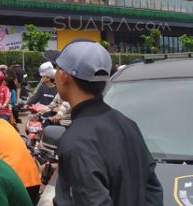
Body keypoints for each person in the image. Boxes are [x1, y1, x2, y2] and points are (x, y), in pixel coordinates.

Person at [47, 40, 162, 205]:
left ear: (64, 76)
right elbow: (153, 190)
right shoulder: (127, 123)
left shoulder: (76, 141)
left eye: (57, 68)